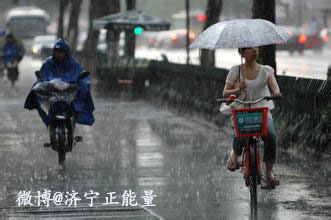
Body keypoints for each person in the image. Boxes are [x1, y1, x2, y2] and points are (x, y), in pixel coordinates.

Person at [223, 47, 282, 189]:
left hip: (261, 110)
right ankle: (234, 154)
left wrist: (276, 93)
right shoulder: (235, 71)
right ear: (242, 53)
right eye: (250, 48)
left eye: (256, 48)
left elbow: (275, 89)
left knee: (271, 135)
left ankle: (268, 174)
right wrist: (238, 90)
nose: (254, 50)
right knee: (239, 135)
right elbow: (225, 93)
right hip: (240, 110)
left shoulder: (266, 70)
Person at [24, 38, 95, 127]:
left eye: (62, 51)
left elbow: (81, 74)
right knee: (35, 90)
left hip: (69, 91)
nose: (59, 54)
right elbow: (43, 78)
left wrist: (83, 82)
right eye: (57, 51)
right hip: (53, 92)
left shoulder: (73, 63)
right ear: (53, 52)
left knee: (84, 88)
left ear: (66, 53)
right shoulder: (48, 63)